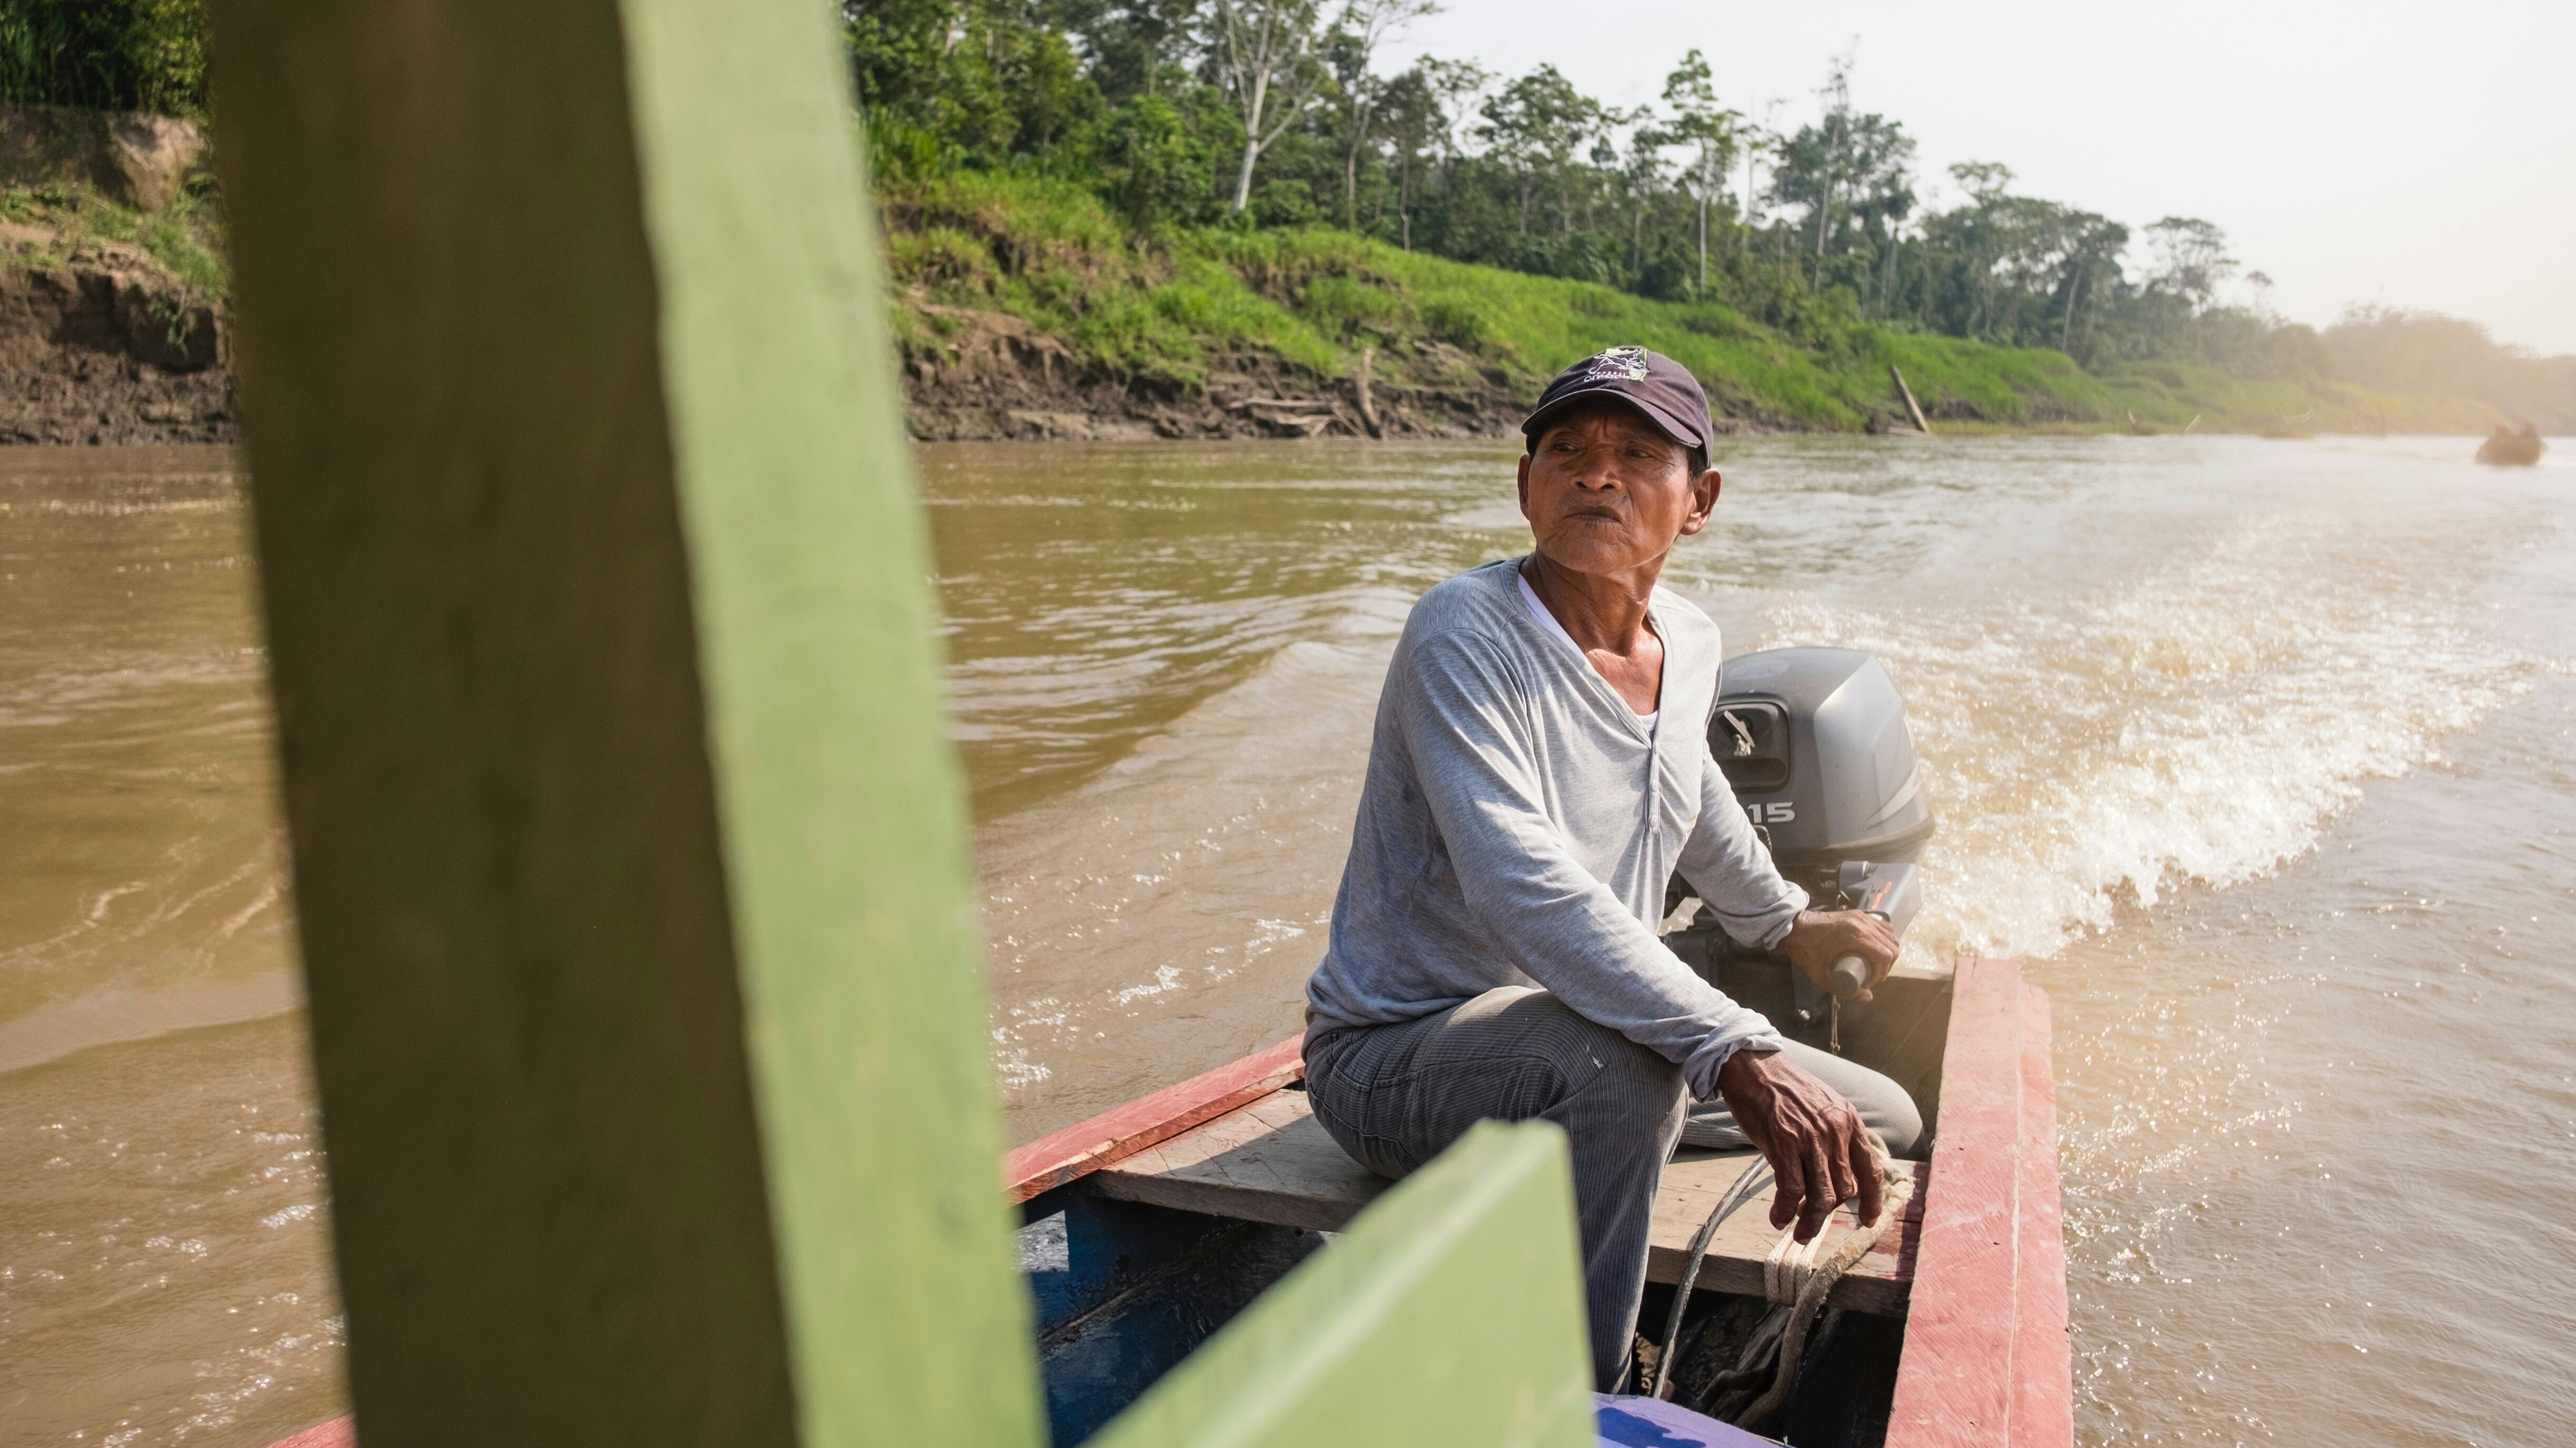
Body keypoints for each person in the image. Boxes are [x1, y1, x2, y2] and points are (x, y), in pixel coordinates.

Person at [1300, 345, 1923, 1391]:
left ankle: (1593, 1174)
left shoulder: (1687, 636)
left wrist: (1781, 922)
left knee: (1880, 1122)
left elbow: (1690, 794)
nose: (1598, 474)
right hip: (1396, 1059)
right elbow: (1519, 882)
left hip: (1585, 1034)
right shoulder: (1464, 634)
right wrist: (1728, 1045)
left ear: (1699, 499)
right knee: (1619, 1073)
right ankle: (1587, 1394)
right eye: (1569, 451)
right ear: (1525, 483)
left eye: (1637, 453)